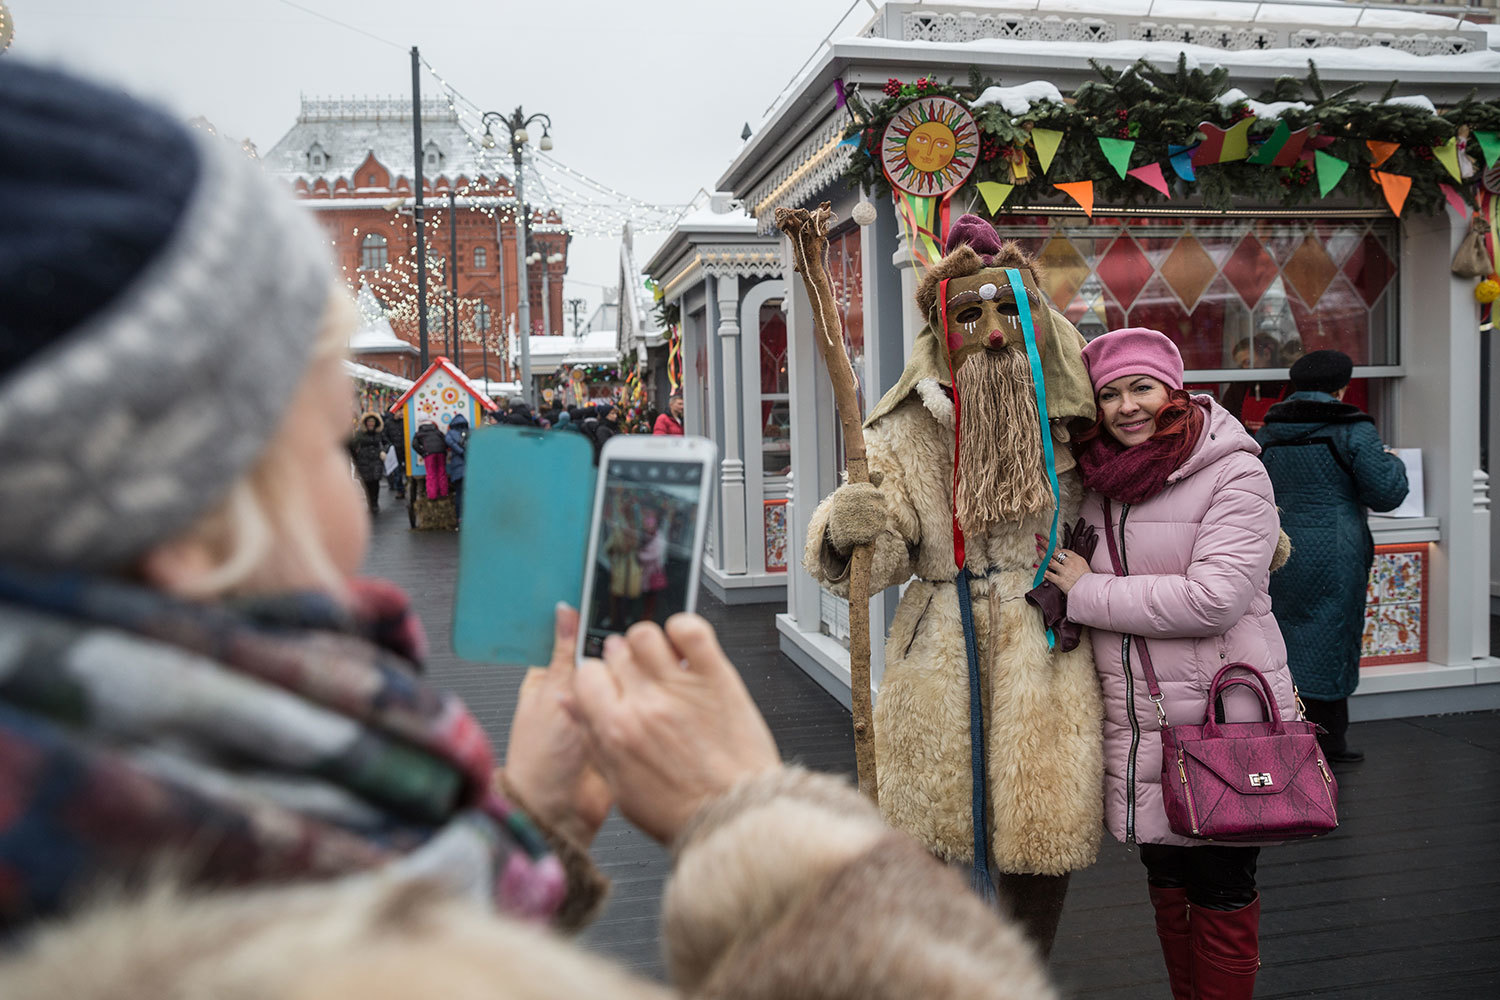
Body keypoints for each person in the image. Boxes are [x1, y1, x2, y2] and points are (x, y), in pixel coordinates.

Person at [0, 60, 1059, 1000]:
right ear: (189, 517)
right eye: (332, 444)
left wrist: (528, 819)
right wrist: (752, 816)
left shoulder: (153, 837)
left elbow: (390, 929)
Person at [805, 216, 1103, 956]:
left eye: (1009, 312)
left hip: (1048, 648)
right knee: (936, 840)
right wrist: (849, 527)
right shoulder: (903, 430)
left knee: (1041, 838)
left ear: (1035, 319)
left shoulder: (1077, 418)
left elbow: (1149, 483)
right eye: (971, 314)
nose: (994, 333)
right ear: (943, 329)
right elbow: (879, 560)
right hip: (939, 651)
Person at [1042, 327, 1300, 1000]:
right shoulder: (1099, 483)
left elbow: (1211, 602)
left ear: (1173, 390)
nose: (1126, 407)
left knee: (1221, 891)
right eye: (1110, 395)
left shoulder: (1234, 470)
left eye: (1141, 388)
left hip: (1224, 722)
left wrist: (1086, 592)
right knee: (1167, 887)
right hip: (1143, 730)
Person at [1256, 350, 1408, 764]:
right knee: (1333, 637)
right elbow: (1387, 494)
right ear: (1341, 387)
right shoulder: (1353, 429)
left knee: (1283, 639)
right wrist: (1392, 462)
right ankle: (1329, 742)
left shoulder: (1268, 432)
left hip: (1279, 551)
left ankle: (1289, 734)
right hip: (1335, 553)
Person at [349, 411, 387, 515]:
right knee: (366, 483)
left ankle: (374, 503)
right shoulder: (360, 434)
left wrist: (384, 451)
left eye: (373, 422)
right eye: (369, 422)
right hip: (364, 461)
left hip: (376, 460)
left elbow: (387, 442)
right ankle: (370, 502)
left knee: (375, 483)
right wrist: (356, 458)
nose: (371, 424)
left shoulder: (379, 433)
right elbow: (352, 445)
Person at [411, 419, 449, 499]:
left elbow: (414, 444)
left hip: (429, 454)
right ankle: (444, 493)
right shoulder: (437, 431)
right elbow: (445, 440)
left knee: (431, 474)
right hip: (441, 452)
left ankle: (432, 495)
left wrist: (423, 453)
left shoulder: (419, 433)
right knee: (442, 472)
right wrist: (444, 450)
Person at [445, 413, 470, 526]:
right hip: (470, 467)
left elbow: (448, 442)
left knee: (459, 494)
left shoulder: (450, 434)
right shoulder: (471, 433)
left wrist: (460, 451)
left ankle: (460, 518)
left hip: (457, 467)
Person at [381, 408, 407, 495]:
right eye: (398, 411)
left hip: (404, 449)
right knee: (397, 471)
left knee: (407, 471)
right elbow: (384, 436)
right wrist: (390, 444)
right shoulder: (388, 423)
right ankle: (400, 490)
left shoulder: (404, 421)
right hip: (395, 450)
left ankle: (406, 486)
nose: (400, 413)